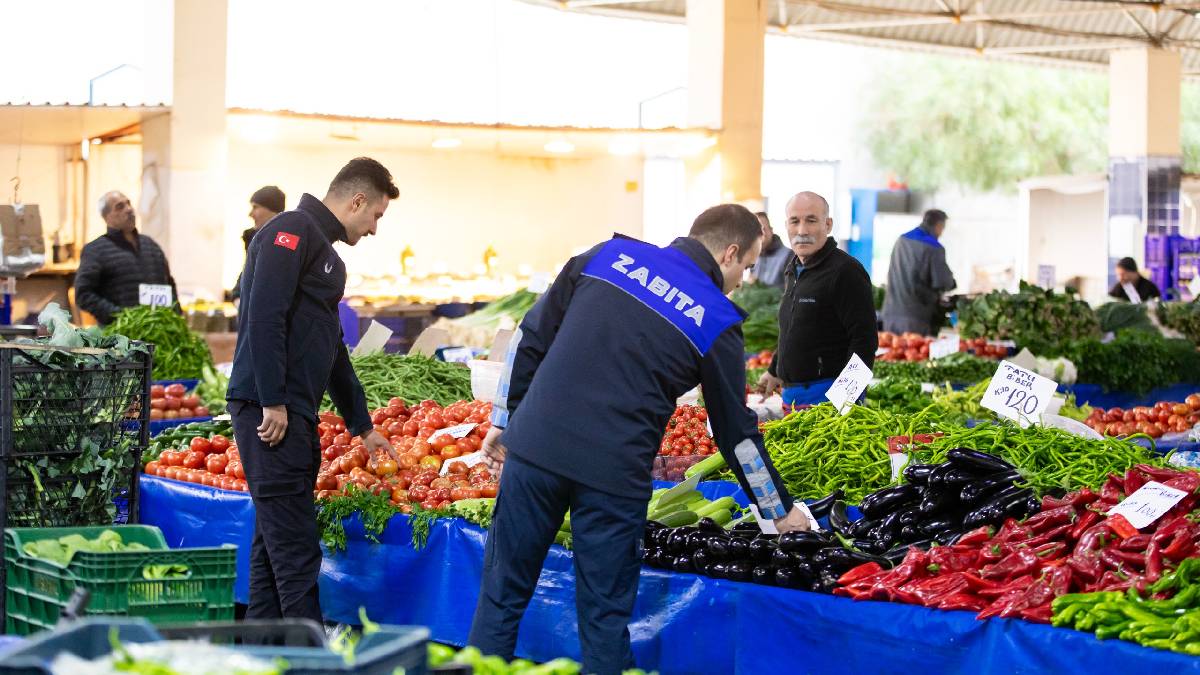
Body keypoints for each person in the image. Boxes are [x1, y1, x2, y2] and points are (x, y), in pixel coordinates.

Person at [467, 204, 812, 675]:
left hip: (536, 450)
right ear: (730, 253)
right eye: (748, 267)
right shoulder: (718, 321)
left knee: (500, 599)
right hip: (612, 475)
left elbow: (531, 335)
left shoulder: (608, 255)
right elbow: (736, 435)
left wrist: (504, 421)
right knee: (604, 622)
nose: (743, 280)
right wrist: (778, 510)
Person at [226, 157, 400, 622]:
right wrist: (273, 400)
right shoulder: (293, 231)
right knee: (297, 557)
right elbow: (264, 317)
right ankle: (312, 662)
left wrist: (363, 426)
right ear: (357, 199)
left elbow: (333, 350)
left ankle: (262, 658)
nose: (374, 229)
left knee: (272, 553)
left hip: (292, 414)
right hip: (271, 416)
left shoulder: (322, 250)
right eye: (377, 216)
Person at [756, 192, 878, 406]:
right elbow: (792, 328)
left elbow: (865, 340)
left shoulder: (846, 271)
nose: (802, 230)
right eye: (795, 221)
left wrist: (845, 401)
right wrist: (774, 370)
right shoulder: (794, 268)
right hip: (793, 396)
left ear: (828, 225)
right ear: (786, 226)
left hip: (827, 399)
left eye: (811, 220)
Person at [74, 191, 177, 325]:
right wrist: (120, 317)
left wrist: (176, 318)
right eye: (120, 207)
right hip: (121, 335)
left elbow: (169, 284)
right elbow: (83, 294)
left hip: (160, 331)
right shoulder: (95, 250)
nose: (129, 209)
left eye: (128, 203)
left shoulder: (151, 245)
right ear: (107, 217)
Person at [881, 209, 957, 335]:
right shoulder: (933, 247)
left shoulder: (901, 240)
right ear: (939, 225)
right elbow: (943, 282)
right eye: (942, 228)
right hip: (915, 319)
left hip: (890, 315)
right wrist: (952, 283)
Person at [230, 186, 286, 302]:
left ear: (272, 210)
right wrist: (237, 296)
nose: (250, 214)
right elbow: (247, 272)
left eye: (255, 207)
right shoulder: (252, 238)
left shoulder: (287, 243)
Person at [749, 211, 789, 289]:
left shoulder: (789, 255)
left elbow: (792, 290)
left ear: (771, 230)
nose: (761, 233)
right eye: (756, 230)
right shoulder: (753, 256)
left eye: (764, 229)